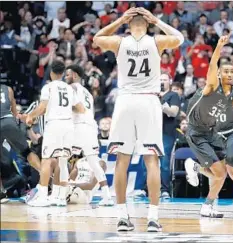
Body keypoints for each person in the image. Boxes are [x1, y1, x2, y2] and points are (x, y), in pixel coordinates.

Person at [93, 7, 184, 232]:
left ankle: (122, 216)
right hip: (148, 101)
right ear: (147, 23)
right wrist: (158, 21)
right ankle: (153, 218)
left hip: (125, 102)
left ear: (129, 23)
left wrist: (118, 21)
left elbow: (97, 38)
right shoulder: (156, 41)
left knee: (122, 161)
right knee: (151, 160)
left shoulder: (119, 42)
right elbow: (180, 38)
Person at [184, 34, 233, 218]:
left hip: (211, 132)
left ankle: (196, 169)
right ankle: (207, 207)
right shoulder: (212, 84)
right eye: (225, 71)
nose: (229, 74)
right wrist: (218, 46)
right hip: (196, 132)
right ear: (219, 74)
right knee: (220, 173)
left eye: (231, 72)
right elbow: (212, 65)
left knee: (227, 170)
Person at [25, 60, 85, 207]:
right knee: (62, 161)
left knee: (47, 160)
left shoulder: (48, 87)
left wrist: (30, 116)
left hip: (54, 125)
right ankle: (58, 197)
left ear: (51, 72)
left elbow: (42, 108)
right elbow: (80, 108)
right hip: (68, 126)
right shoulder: (70, 89)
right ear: (63, 73)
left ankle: (43, 196)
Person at [61, 64, 113, 206]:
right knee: (94, 163)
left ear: (75, 75)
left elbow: (79, 109)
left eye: (68, 74)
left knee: (63, 157)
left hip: (79, 126)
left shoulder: (71, 88)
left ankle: (60, 195)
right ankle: (107, 196)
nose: (65, 77)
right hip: (91, 127)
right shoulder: (88, 93)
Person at [0, 84, 42, 202]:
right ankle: (45, 177)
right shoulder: (8, 89)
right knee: (27, 152)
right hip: (9, 122)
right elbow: (15, 113)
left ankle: (1, 192)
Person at [159, 73, 181, 199]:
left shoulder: (173, 95)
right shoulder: (152, 96)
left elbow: (173, 112)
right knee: (148, 161)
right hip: (152, 131)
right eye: (160, 80)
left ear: (170, 81)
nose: (162, 82)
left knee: (164, 161)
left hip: (166, 132)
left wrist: (162, 107)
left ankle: (164, 189)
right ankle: (145, 189)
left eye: (164, 79)